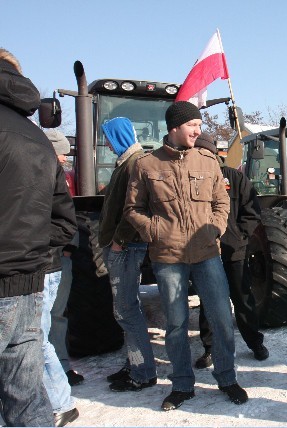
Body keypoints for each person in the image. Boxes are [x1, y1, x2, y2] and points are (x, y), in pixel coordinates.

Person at [124, 101, 248, 410]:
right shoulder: (146, 165)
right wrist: (155, 231)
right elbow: (132, 210)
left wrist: (215, 230)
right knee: (177, 324)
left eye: (199, 125)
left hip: (207, 254)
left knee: (221, 318)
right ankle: (181, 385)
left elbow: (222, 202)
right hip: (168, 258)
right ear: (175, 128)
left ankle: (227, 378)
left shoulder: (208, 161)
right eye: (193, 125)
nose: (198, 130)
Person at [0, 48, 77, 426]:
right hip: (30, 281)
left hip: (16, 278)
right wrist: (36, 257)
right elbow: (65, 219)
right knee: (25, 397)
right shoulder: (36, 139)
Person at [193, 133, 268, 368]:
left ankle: (255, 343)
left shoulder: (235, 178)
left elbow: (252, 211)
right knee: (208, 301)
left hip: (233, 250)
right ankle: (210, 348)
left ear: (214, 153)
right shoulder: (191, 178)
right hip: (204, 252)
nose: (203, 156)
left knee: (242, 297)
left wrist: (241, 236)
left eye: (207, 152)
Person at [98, 117, 157, 392]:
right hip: (122, 245)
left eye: (108, 137)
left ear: (119, 135)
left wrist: (120, 241)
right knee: (125, 308)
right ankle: (134, 361)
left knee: (126, 309)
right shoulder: (126, 161)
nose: (107, 144)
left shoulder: (135, 162)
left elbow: (136, 207)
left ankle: (143, 371)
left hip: (127, 247)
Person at [40, 130, 80, 426]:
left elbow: (67, 219)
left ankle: (60, 374)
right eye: (60, 152)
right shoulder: (42, 172)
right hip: (47, 258)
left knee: (52, 319)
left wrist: (66, 249)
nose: (65, 157)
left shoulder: (61, 179)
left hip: (53, 259)